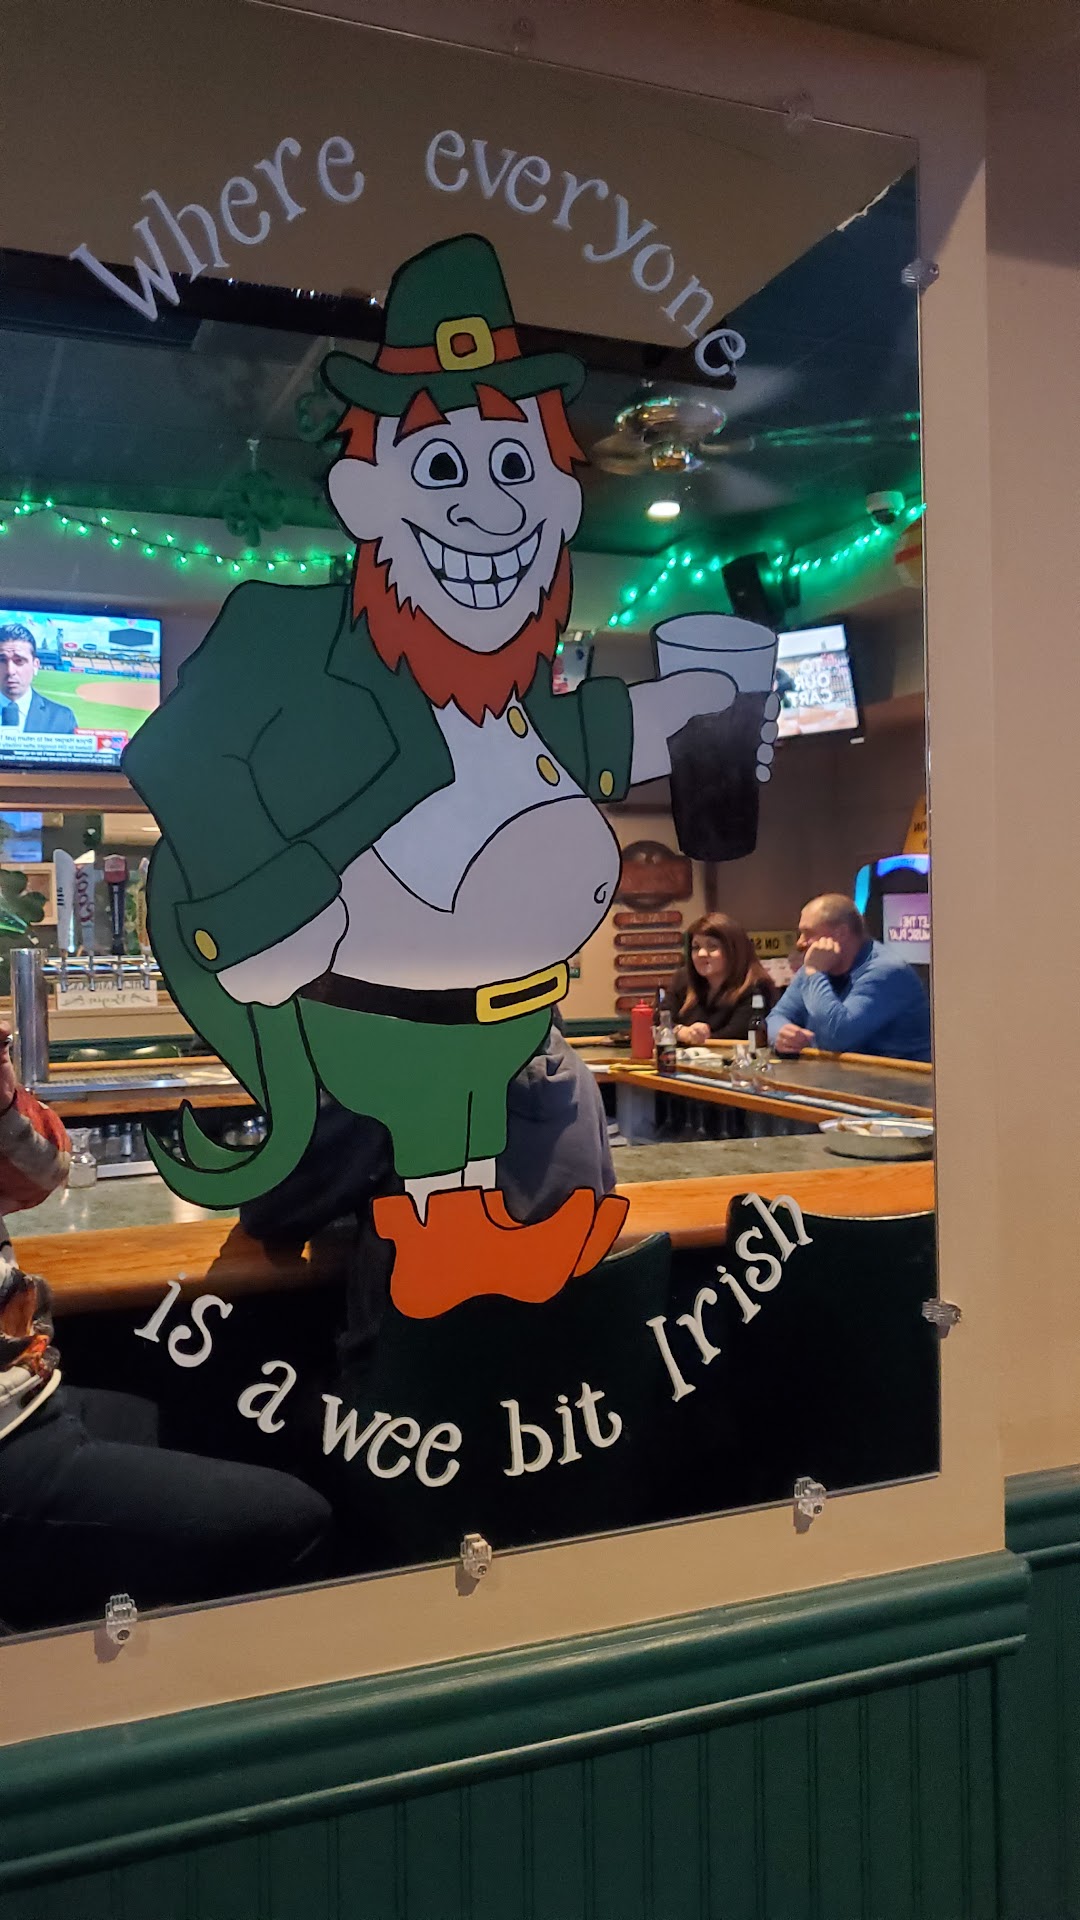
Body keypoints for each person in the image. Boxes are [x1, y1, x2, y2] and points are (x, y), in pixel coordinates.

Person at [0, 1023, 333, 1632]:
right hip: (9, 1442)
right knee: (298, 1520)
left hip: (31, 1393)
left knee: (239, 1430)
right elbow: (276, 1204)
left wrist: (3, 1099)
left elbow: (48, 1172)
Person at [766, 893, 931, 1062]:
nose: (800, 943)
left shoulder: (887, 971)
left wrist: (815, 973)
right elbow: (776, 1017)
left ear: (841, 933)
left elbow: (837, 1037)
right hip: (837, 1074)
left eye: (808, 933)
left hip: (897, 1075)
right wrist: (781, 1034)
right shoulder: (814, 967)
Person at [669, 912, 778, 1045]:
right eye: (696, 947)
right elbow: (660, 1022)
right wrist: (681, 1032)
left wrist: (694, 1038)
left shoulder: (757, 987)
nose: (701, 954)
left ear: (733, 950)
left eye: (712, 946)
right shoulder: (683, 978)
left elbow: (737, 1036)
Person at [0, 624, 77, 734]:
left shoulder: (62, 718)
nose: (10, 671)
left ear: (35, 666)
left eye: (19, 661)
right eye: (2, 660)